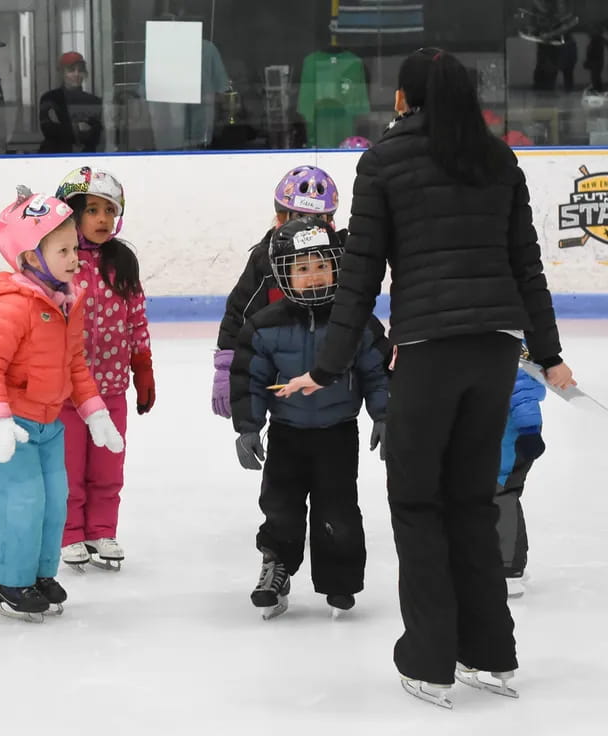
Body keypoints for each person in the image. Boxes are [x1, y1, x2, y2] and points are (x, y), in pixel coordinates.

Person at [275, 48, 575, 708]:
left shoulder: (384, 161)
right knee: (471, 501)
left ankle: (431, 660)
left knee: (417, 503)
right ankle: (490, 654)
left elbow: (361, 275)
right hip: (496, 352)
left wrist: (326, 366)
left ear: (404, 101)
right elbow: (528, 268)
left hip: (430, 353)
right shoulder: (498, 160)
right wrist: (548, 354)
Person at [0, 187, 124, 621]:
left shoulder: (68, 300)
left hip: (49, 421)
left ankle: (38, 574)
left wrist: (94, 412)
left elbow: (75, 363)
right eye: (63, 250)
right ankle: (9, 580)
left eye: (73, 247)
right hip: (11, 421)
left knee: (54, 500)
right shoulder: (12, 306)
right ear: (29, 257)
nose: (75, 258)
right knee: (21, 503)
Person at [230, 216, 388, 620]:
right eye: (302, 268)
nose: (314, 276)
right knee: (280, 507)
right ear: (284, 275)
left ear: (337, 266)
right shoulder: (264, 327)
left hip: (338, 434)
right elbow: (251, 377)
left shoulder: (357, 324)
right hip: (287, 434)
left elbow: (377, 372)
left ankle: (340, 580)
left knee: (338, 510)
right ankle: (277, 569)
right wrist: (249, 425)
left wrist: (386, 415)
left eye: (322, 265)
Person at [53, 166, 154, 570]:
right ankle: (70, 534)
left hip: (112, 386)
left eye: (109, 211)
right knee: (70, 468)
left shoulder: (121, 260)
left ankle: (102, 530)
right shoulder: (61, 260)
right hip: (67, 391)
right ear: (70, 213)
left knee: (108, 464)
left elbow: (136, 317)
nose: (102, 220)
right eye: (92, 210)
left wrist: (142, 364)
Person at [213, 165, 349, 419]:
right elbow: (238, 314)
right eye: (298, 217)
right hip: (279, 379)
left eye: (318, 220)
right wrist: (225, 368)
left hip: (330, 381)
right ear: (280, 218)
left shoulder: (338, 261)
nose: (307, 227)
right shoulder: (265, 260)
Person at [496, 344, 547, 599]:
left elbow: (524, 393)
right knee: (504, 497)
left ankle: (509, 569)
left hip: (510, 444)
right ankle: (514, 561)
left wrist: (529, 431)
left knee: (501, 497)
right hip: (498, 442)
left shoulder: (512, 354)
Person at [39, 52, 103, 153]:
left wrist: (67, 127)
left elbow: (96, 135)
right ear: (62, 73)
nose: (76, 74)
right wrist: (77, 127)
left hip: (86, 159)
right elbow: (49, 130)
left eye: (80, 70)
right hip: (54, 156)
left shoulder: (94, 101)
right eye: (71, 70)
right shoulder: (50, 98)